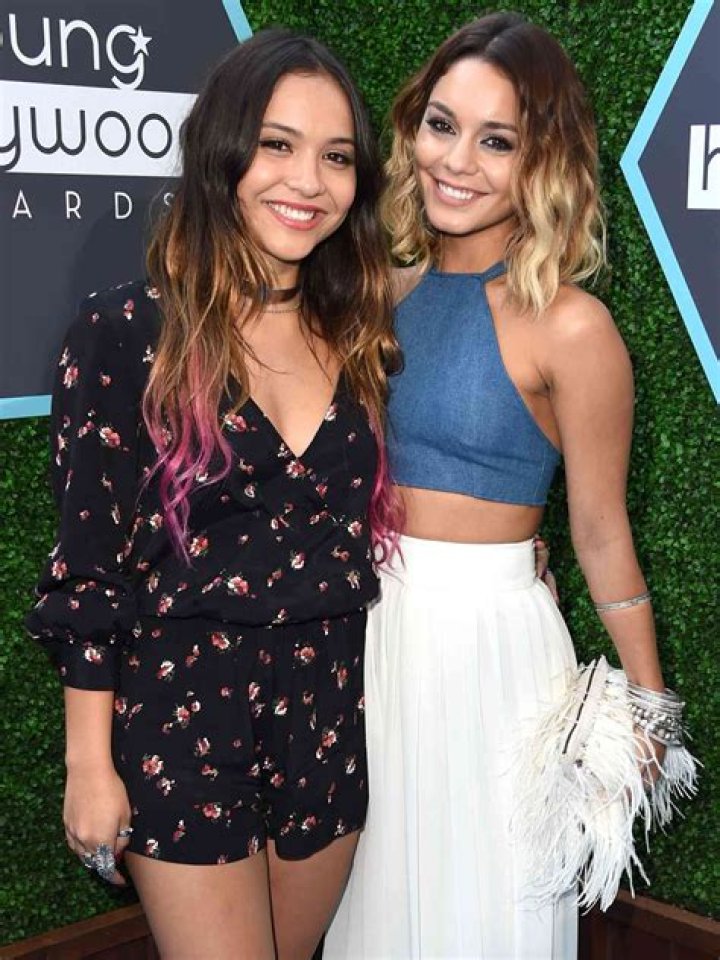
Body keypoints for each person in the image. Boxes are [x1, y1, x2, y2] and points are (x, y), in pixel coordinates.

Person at [27, 28, 401, 960]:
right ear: (222, 151)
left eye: (337, 157)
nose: (308, 181)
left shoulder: (359, 335)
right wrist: (88, 763)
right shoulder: (127, 332)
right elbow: (87, 571)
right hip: (181, 716)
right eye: (277, 144)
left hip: (326, 717)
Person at [325, 12, 671, 959]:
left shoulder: (572, 327)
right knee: (377, 906)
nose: (457, 161)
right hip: (370, 636)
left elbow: (600, 530)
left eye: (497, 140)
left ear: (542, 161)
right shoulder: (373, 296)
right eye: (443, 125)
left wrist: (648, 707)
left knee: (484, 912)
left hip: (494, 655)